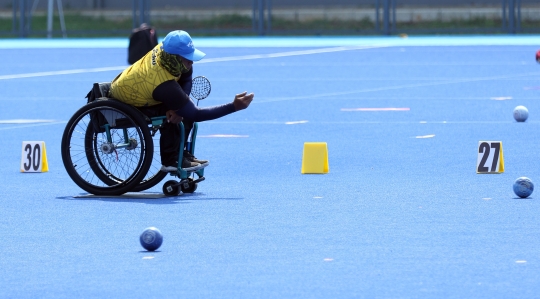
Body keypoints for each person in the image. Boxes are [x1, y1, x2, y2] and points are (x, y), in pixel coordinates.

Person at [109, 30, 254, 172]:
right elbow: (196, 114)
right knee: (175, 115)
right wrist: (233, 106)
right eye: (187, 57)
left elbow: (186, 77)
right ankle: (171, 160)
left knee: (182, 109)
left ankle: (181, 154)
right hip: (127, 100)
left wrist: (181, 101)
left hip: (136, 85)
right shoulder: (164, 83)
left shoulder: (167, 51)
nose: (191, 61)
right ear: (175, 58)